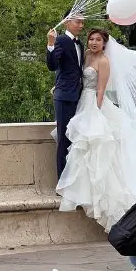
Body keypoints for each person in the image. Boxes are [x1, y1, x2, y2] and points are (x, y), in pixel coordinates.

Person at [56, 29, 136, 231]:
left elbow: (101, 89)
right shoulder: (85, 54)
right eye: (91, 39)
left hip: (93, 102)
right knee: (78, 146)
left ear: (105, 43)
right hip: (79, 100)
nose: (94, 42)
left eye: (98, 40)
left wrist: (96, 111)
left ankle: (99, 196)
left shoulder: (104, 61)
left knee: (95, 147)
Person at [47, 14, 85, 179]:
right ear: (67, 22)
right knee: (64, 138)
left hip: (78, 96)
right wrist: (50, 43)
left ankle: (74, 179)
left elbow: (75, 71)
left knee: (76, 138)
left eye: (83, 22)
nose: (81, 25)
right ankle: (62, 182)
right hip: (64, 97)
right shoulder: (61, 40)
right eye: (78, 22)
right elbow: (52, 65)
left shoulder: (80, 44)